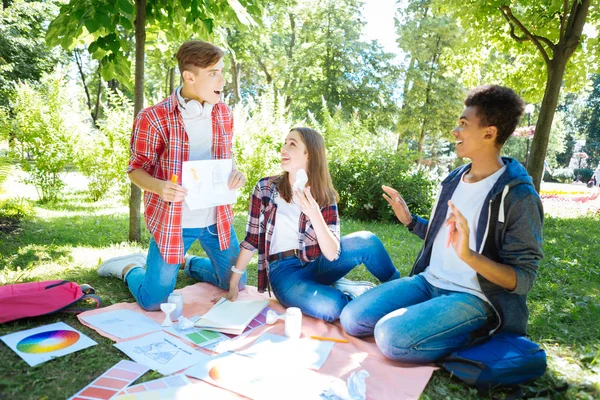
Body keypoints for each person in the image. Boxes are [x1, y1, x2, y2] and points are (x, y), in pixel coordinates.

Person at [340, 85, 544, 363]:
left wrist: (469, 257)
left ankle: (482, 334)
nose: (454, 131)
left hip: (474, 298)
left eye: (463, 124)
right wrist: (410, 221)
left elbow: (523, 279)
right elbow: (445, 238)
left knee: (390, 338)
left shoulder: (518, 195)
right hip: (428, 281)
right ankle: (429, 320)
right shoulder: (453, 180)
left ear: (489, 132)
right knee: (352, 319)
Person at [97, 41, 247, 310]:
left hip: (216, 218)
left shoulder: (224, 113)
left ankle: (187, 262)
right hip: (175, 221)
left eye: (222, 71)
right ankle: (129, 268)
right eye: (214, 73)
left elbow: (227, 159)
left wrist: (236, 174)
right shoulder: (153, 117)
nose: (222, 80)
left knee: (237, 281)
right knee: (153, 302)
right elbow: (135, 169)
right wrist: (159, 186)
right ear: (189, 76)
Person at [226, 127, 400, 322]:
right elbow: (252, 240)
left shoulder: (324, 195)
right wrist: (234, 283)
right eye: (285, 142)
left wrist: (314, 213)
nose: (283, 148)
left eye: (292, 144)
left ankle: (401, 289)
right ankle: (355, 296)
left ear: (309, 154)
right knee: (332, 307)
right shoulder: (266, 188)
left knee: (367, 241)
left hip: (318, 262)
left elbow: (333, 253)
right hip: (285, 273)